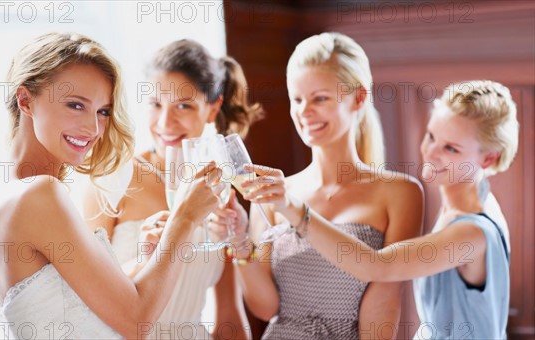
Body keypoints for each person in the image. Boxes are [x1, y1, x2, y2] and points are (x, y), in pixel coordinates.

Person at [0, 32, 224, 339]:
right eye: (75, 105)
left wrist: (147, 258)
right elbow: (136, 321)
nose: (93, 128)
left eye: (103, 111)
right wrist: (185, 217)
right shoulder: (40, 193)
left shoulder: (12, 192)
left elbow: (78, 309)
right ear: (25, 99)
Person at [244, 79, 517, 339]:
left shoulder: (471, 233)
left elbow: (376, 266)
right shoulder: (468, 204)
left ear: (489, 158)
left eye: (451, 148)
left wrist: (291, 207)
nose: (431, 152)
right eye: (431, 135)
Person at [230, 32, 424, 339]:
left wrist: (295, 211)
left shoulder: (401, 193)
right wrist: (238, 240)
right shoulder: (271, 195)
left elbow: (384, 305)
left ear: (359, 98)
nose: (304, 112)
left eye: (320, 98)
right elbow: (266, 308)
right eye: (297, 99)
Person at [84, 39, 263, 339]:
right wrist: (143, 260)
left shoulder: (220, 191)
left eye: (183, 105)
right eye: (156, 104)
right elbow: (82, 292)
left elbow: (229, 316)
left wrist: (241, 241)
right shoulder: (113, 178)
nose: (166, 122)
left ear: (212, 108)